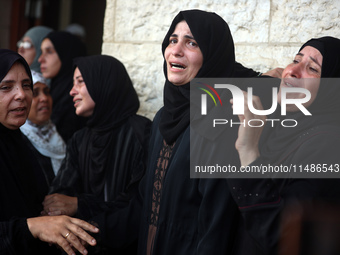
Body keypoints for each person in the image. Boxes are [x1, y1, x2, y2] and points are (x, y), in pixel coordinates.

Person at [86, 9, 271, 254]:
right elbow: (146, 201)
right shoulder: (165, 116)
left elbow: (217, 224)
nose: (176, 50)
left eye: (191, 43)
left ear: (213, 56)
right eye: (172, 40)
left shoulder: (222, 122)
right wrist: (88, 230)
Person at [228, 36, 340, 255]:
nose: (293, 71)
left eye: (313, 69)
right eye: (295, 60)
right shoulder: (282, 124)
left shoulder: (329, 148)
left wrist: (248, 150)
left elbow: (284, 239)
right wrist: (263, 76)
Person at [42, 55, 151, 254]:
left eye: (81, 82)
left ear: (105, 83)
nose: (72, 91)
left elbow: (138, 205)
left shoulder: (141, 133)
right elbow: (59, 195)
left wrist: (79, 205)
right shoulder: (80, 139)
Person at [0, 49, 99, 255]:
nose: (21, 95)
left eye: (26, 85)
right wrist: (33, 227)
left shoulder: (18, 145)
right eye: (6, 87)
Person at [39, 31, 87, 143]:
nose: (40, 59)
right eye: (41, 52)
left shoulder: (76, 96)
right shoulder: (51, 89)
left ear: (66, 54)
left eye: (49, 52)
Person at [20, 70, 66, 183]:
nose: (44, 98)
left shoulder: (60, 131)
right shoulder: (18, 141)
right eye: (35, 93)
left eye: (47, 92)